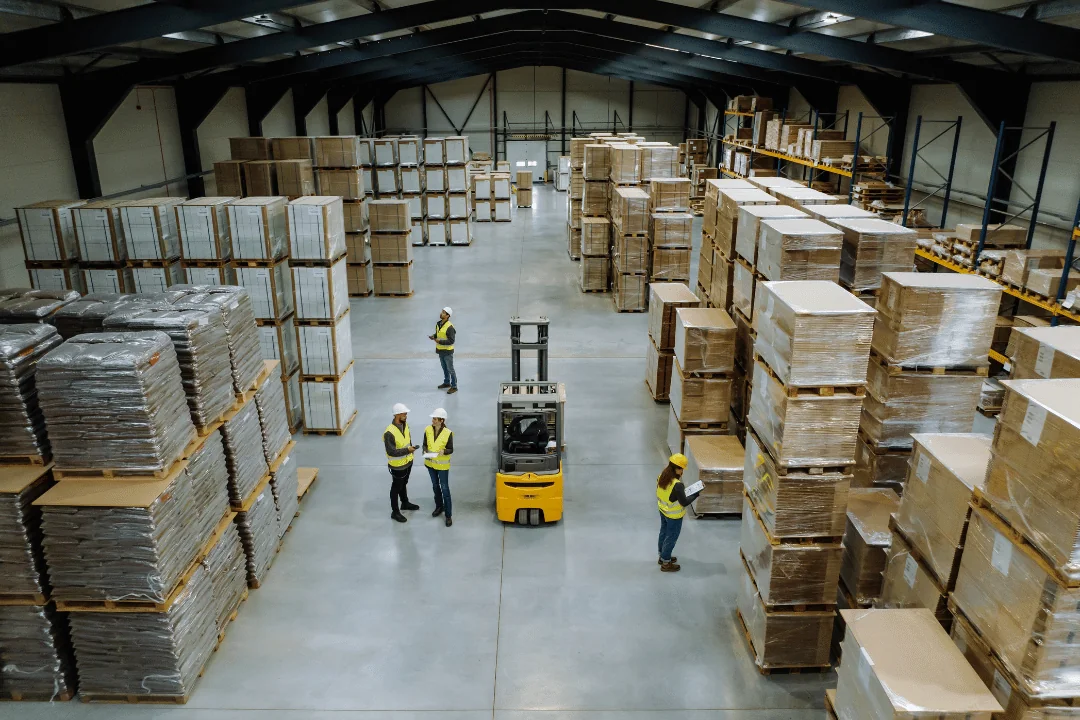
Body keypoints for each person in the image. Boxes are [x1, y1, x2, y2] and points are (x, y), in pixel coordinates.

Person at [656, 453, 700, 572]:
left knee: (664, 532)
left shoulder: (662, 476)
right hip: (673, 516)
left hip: (663, 510)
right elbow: (684, 502)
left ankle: (662, 556)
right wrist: (696, 494)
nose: (682, 472)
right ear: (676, 468)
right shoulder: (678, 485)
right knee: (671, 537)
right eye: (681, 469)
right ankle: (666, 562)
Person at [385, 403, 420, 523]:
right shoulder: (389, 432)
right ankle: (395, 512)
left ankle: (405, 503)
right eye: (404, 414)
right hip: (398, 466)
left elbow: (407, 441)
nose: (406, 415)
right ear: (397, 415)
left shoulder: (405, 425)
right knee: (396, 487)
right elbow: (391, 451)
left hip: (408, 462)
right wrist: (408, 450)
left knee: (404, 483)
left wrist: (411, 450)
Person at [424, 408, 454, 527]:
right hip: (430, 465)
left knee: (445, 489)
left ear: (441, 420)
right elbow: (425, 444)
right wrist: (425, 451)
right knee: (435, 486)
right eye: (433, 418)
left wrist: (444, 451)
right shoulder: (427, 429)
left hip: (442, 466)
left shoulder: (448, 433)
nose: (433, 421)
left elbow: (451, 449)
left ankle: (448, 515)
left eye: (435, 419)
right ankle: (439, 507)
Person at [428, 307, 457, 394]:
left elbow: (451, 341)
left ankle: (454, 386)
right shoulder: (438, 324)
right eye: (442, 312)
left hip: (448, 352)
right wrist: (434, 336)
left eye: (444, 313)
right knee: (444, 368)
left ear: (448, 316)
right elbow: (438, 334)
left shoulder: (450, 327)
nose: (441, 313)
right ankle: (447, 382)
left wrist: (439, 341)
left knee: (450, 369)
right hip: (440, 350)